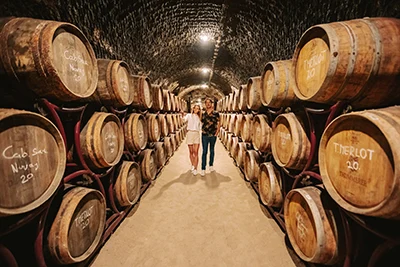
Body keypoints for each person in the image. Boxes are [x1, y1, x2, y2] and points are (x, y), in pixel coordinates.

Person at [200, 97, 220, 176]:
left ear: (212, 104)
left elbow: (219, 123)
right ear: (205, 104)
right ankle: (203, 168)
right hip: (204, 135)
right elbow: (200, 121)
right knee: (204, 151)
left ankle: (211, 165)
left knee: (212, 150)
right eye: (206, 103)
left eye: (209, 102)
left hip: (213, 135)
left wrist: (217, 133)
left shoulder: (216, 113)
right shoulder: (203, 113)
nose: (208, 104)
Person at [183, 105, 202, 175]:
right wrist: (181, 115)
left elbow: (201, 126)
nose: (196, 110)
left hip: (196, 134)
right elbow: (183, 120)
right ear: (193, 109)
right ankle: (193, 165)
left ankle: (196, 168)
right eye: (195, 108)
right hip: (190, 133)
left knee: (196, 152)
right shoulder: (188, 115)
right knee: (191, 152)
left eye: (198, 109)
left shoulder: (200, 117)